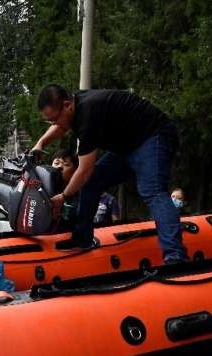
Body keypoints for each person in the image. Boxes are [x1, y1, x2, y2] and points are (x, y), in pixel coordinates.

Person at [32, 85, 188, 263]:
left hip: (154, 136)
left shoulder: (88, 116)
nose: (54, 125)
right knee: (92, 182)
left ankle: (176, 256)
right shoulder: (73, 106)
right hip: (127, 147)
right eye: (49, 121)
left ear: (67, 105)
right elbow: (60, 127)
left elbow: (84, 171)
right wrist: (40, 144)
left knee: (152, 190)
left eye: (54, 119)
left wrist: (64, 195)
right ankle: (82, 239)